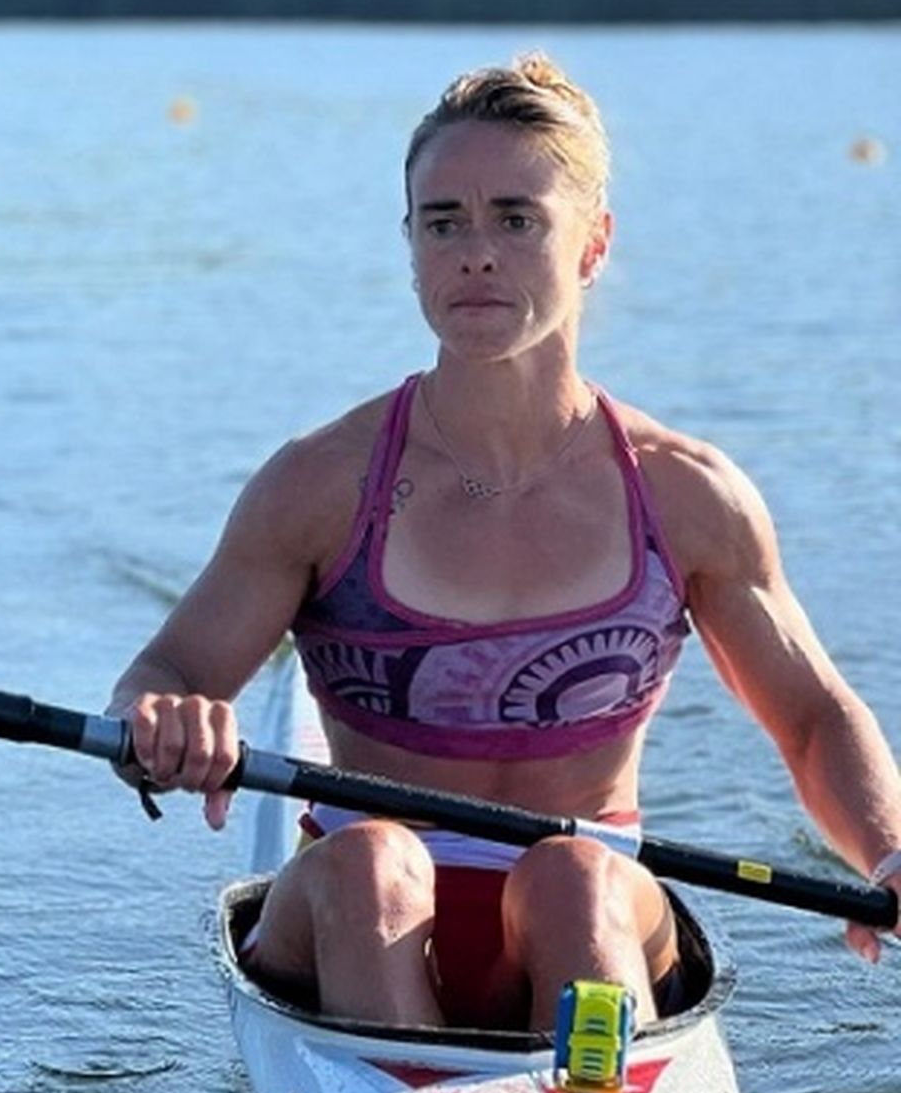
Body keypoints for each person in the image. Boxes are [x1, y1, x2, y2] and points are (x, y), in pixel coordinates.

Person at [107, 53, 901, 1031]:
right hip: (351, 914)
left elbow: (813, 716)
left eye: (516, 219)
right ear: (409, 245)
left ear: (593, 244)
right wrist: (167, 722)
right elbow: (168, 668)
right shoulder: (319, 485)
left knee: (572, 876)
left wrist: (887, 851)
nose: (474, 253)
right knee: (372, 862)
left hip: (591, 907)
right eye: (444, 223)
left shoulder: (686, 495)